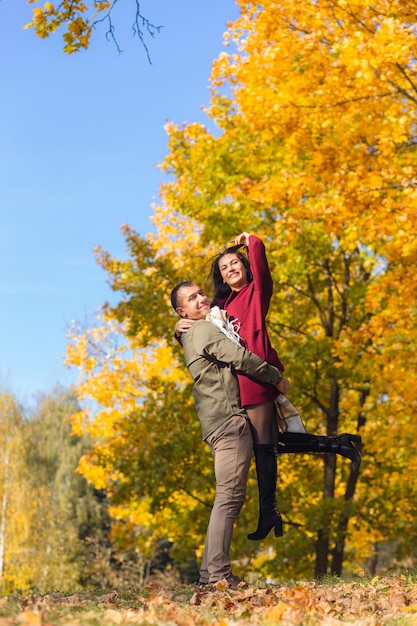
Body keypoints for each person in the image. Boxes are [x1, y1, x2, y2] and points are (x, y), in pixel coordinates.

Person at [176, 233, 361, 542]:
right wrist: (178, 328)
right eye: (224, 267)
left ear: (246, 268)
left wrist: (252, 240)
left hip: (257, 374)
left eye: (235, 263)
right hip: (240, 380)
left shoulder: (255, 292)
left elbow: (261, 269)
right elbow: (199, 330)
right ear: (219, 277)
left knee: (264, 448)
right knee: (268, 443)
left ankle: (269, 512)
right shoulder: (221, 304)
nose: (231, 268)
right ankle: (338, 444)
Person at [170, 281, 290, 588]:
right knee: (230, 497)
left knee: (225, 497)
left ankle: (209, 576)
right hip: (228, 420)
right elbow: (239, 357)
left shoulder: (191, 333)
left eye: (200, 293)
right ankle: (219, 575)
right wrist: (274, 376)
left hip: (215, 422)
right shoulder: (202, 331)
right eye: (192, 298)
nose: (201, 299)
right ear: (181, 311)